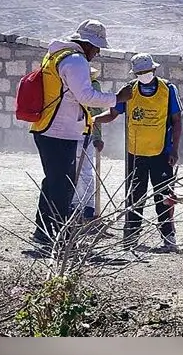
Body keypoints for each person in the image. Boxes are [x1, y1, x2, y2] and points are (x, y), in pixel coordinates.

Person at [30, 20, 125, 252]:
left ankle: (43, 232)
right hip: (59, 131)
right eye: (97, 48)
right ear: (88, 44)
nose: (97, 53)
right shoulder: (76, 60)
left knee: (53, 182)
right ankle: (59, 237)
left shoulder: (56, 56)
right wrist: (117, 98)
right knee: (63, 186)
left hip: (48, 128)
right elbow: (86, 96)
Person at [95, 53, 183, 251]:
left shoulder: (168, 89)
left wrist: (174, 150)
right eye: (139, 72)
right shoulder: (129, 90)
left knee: (163, 196)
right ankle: (131, 238)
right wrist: (94, 120)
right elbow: (113, 113)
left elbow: (177, 121)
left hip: (161, 153)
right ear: (134, 74)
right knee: (134, 197)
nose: (144, 75)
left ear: (154, 69)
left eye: (146, 71)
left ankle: (168, 237)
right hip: (135, 154)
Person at [69, 66, 105, 222]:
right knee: (73, 170)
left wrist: (97, 136)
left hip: (86, 133)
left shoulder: (93, 87)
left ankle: (88, 206)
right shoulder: (69, 87)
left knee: (85, 170)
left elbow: (96, 113)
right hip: (70, 133)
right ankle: (75, 205)